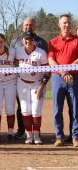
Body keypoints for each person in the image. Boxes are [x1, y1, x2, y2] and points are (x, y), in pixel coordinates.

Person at [10, 17, 48, 140]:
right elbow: (12, 61)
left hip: (37, 82)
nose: (28, 27)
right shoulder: (15, 41)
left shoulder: (41, 44)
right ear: (23, 26)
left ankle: (36, 134)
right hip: (21, 81)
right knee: (23, 108)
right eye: (26, 25)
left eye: (31, 25)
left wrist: (43, 85)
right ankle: (25, 132)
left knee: (35, 109)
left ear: (35, 27)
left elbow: (47, 68)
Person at [48, 14, 78, 147]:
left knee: (75, 108)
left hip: (74, 77)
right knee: (57, 109)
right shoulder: (53, 42)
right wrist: (62, 71)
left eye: (68, 23)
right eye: (64, 23)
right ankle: (59, 136)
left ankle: (75, 136)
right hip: (57, 78)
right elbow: (50, 60)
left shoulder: (77, 40)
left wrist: (69, 70)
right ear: (59, 25)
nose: (66, 25)